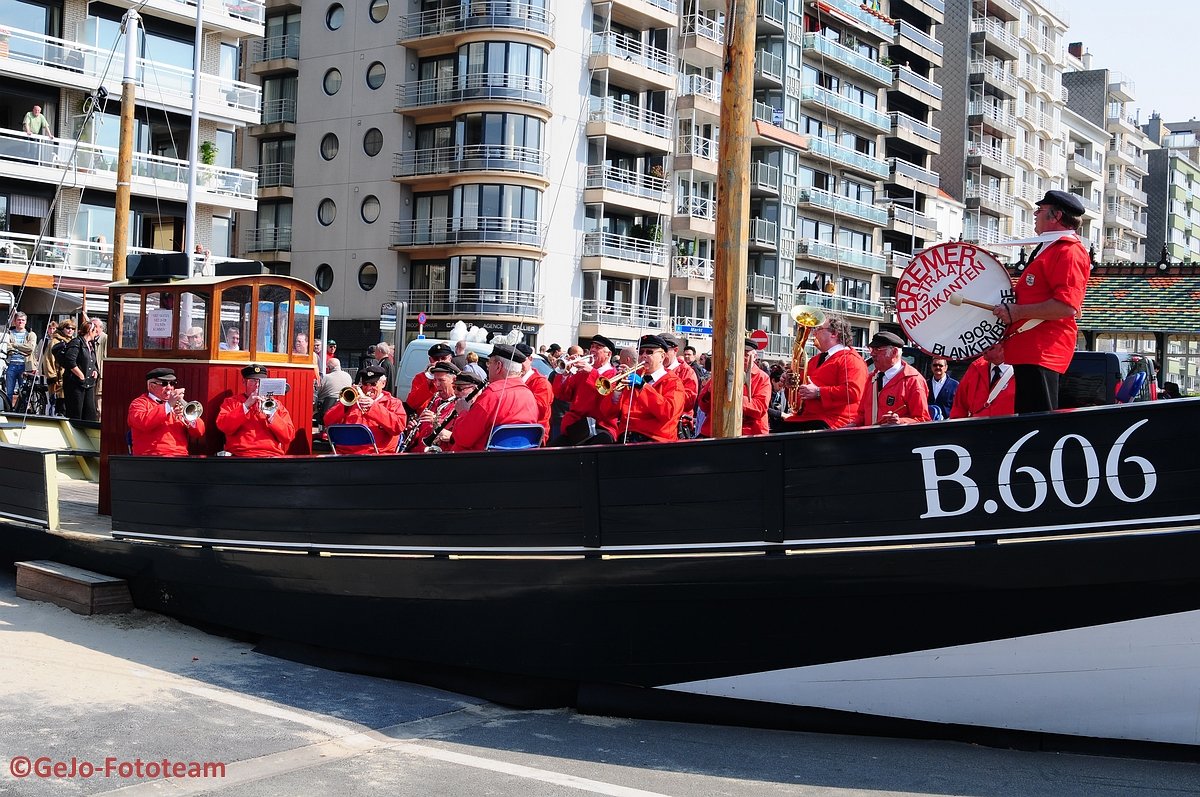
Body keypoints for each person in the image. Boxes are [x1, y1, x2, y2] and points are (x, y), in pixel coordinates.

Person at [992, 190, 1091, 414]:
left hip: (1042, 350)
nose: (1035, 214)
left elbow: (1066, 306)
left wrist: (1017, 312)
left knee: (1037, 425)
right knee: (1030, 422)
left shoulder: (1068, 251)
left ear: (1055, 216)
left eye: (1040, 210)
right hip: (1032, 349)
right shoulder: (1050, 248)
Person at [443, 344, 537, 452]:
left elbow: (464, 438)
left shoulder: (492, 394)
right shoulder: (529, 394)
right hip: (519, 459)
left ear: (498, 366)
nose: (487, 367)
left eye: (490, 363)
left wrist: (463, 412)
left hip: (481, 462)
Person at [784, 313, 868, 430]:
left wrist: (819, 392)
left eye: (818, 329)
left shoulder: (851, 359)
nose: (814, 333)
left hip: (835, 422)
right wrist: (790, 385)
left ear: (834, 334)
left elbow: (853, 392)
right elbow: (798, 400)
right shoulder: (815, 360)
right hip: (810, 418)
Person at [597, 334, 686, 443]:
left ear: (662, 356)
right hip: (626, 437)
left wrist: (643, 387)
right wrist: (617, 392)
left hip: (655, 441)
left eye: (649, 352)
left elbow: (668, 413)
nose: (643, 355)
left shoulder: (673, 382)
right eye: (641, 352)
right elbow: (607, 413)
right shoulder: (633, 376)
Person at [850, 331, 931, 427]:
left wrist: (899, 421)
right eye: (872, 349)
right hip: (871, 439)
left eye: (878, 349)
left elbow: (923, 420)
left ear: (894, 352)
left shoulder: (913, 381)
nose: (872, 354)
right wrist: (852, 425)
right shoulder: (872, 378)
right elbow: (862, 413)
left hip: (896, 440)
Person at [322, 365, 407, 454]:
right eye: (365, 384)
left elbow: (398, 427)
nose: (368, 388)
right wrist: (345, 405)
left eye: (373, 384)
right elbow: (327, 421)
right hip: (345, 454)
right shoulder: (351, 401)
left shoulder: (393, 403)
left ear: (383, 383)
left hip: (377, 456)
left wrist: (374, 408)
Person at [215, 364, 296, 457]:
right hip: (240, 455)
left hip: (271, 455)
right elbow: (224, 426)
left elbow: (288, 437)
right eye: (252, 381)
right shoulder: (231, 402)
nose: (257, 385)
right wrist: (246, 406)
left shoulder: (277, 404)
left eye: (261, 381)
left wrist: (272, 416)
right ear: (244, 382)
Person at [551, 334, 618, 446]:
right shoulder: (582, 372)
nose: (592, 350)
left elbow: (607, 398)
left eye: (598, 347)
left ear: (609, 354)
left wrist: (592, 372)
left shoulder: (614, 375)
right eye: (592, 346)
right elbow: (562, 395)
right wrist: (565, 374)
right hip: (577, 426)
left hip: (600, 427)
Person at [696, 339, 770, 437]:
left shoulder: (762, 378)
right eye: (740, 353)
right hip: (717, 429)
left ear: (755, 357)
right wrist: (710, 394)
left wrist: (734, 396)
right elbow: (703, 406)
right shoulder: (722, 374)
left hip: (749, 432)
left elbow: (760, 408)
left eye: (746, 355)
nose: (742, 357)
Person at [127, 367, 206, 456]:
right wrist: (168, 406)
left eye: (172, 384)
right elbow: (143, 423)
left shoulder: (178, 405)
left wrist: (187, 417)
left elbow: (199, 432)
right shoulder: (138, 403)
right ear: (151, 386)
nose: (169, 388)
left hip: (180, 456)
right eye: (164, 384)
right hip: (151, 457)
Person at [404, 362, 460, 452]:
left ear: (454, 380)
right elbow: (423, 433)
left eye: (441, 380)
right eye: (435, 380)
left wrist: (435, 422)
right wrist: (413, 431)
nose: (437, 384)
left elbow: (459, 437)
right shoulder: (435, 401)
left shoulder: (460, 405)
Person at [950, 343, 1015, 419]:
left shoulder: (1025, 370)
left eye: (991, 346)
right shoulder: (975, 368)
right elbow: (959, 406)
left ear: (1003, 346)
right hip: (978, 428)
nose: (984, 347)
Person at [515, 343, 552, 444]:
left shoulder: (541, 383)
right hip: (516, 432)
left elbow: (539, 411)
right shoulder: (512, 379)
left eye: (521, 360)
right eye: (514, 361)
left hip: (534, 436)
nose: (517, 365)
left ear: (530, 359)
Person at [406, 342, 452, 413]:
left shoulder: (456, 376)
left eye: (443, 358)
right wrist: (428, 381)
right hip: (425, 418)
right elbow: (412, 404)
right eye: (436, 358)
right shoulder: (421, 377)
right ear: (430, 360)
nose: (439, 361)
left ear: (450, 359)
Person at [2, 312, 36, 404]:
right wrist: (22, 348)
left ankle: (23, 410)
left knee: (24, 392)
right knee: (9, 392)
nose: (21, 322)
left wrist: (15, 345)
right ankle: (8, 410)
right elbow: (7, 347)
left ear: (26, 322)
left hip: (25, 366)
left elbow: (30, 348)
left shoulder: (31, 334)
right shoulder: (8, 333)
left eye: (23, 320)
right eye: (19, 320)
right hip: (11, 365)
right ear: (15, 321)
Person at [43, 319, 73, 416]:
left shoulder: (72, 341)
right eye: (68, 328)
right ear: (62, 328)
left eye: (73, 328)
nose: (70, 330)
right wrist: (52, 377)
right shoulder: (55, 341)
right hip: (58, 378)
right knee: (58, 405)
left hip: (69, 378)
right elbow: (48, 360)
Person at [927, 357, 958, 421]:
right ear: (931, 367)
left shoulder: (955, 385)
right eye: (935, 365)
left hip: (947, 425)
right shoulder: (925, 384)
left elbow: (958, 407)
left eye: (940, 365)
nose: (937, 367)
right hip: (928, 424)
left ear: (946, 367)